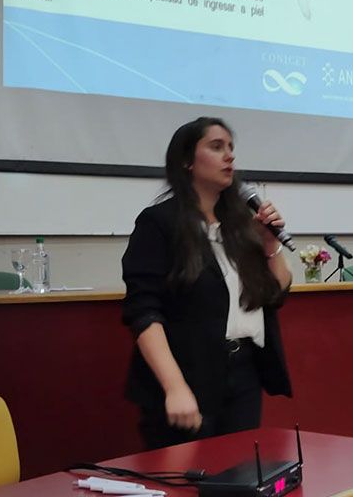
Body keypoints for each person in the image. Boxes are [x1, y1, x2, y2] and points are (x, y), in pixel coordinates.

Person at [122, 116, 292, 450]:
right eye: (216, 147)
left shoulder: (240, 225)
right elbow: (143, 312)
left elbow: (276, 293)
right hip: (188, 372)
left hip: (243, 373)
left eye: (231, 147)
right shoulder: (159, 223)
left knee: (239, 469)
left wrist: (269, 244)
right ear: (187, 160)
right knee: (188, 474)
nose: (229, 156)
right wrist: (174, 386)